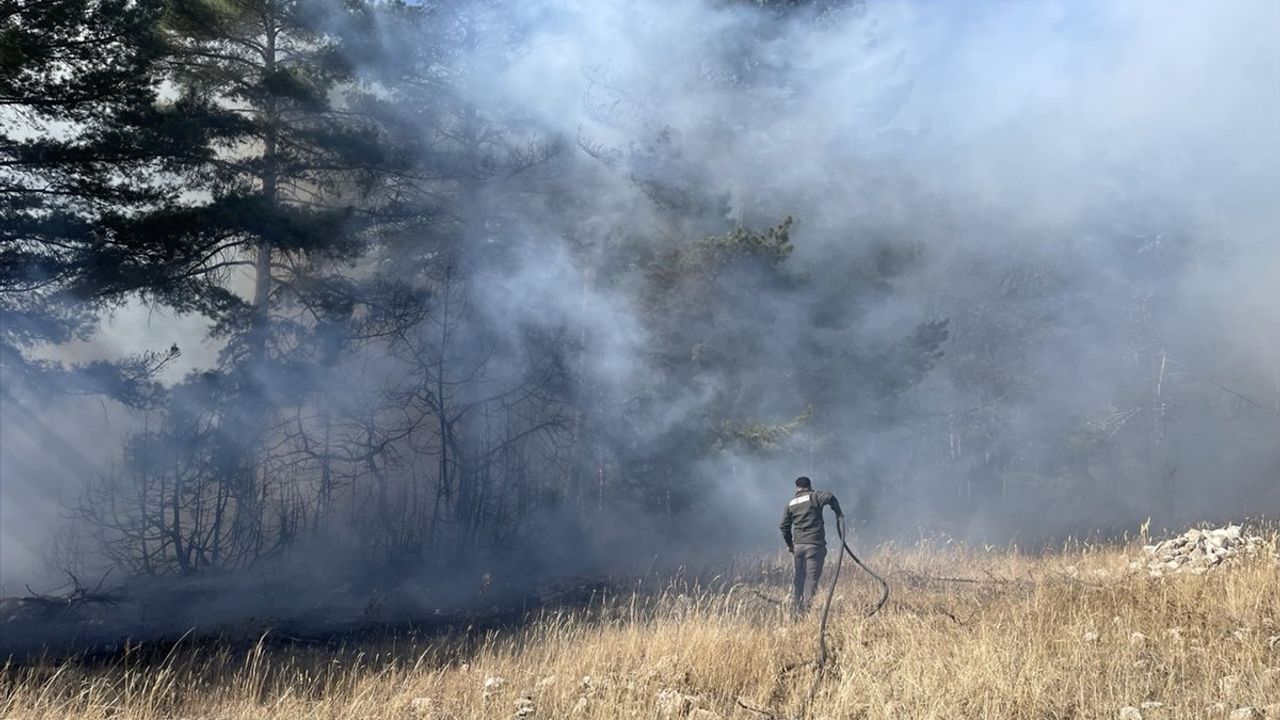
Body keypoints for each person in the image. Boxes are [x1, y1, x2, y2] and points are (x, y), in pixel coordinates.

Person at [779, 476, 844, 612]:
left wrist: (790, 545)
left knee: (799, 577)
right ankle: (806, 609)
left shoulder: (790, 504)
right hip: (814, 545)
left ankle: (797, 607)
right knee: (811, 578)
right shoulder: (814, 496)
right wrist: (838, 512)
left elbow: (784, 526)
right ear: (809, 486)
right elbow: (830, 496)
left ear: (796, 487)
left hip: (798, 546)